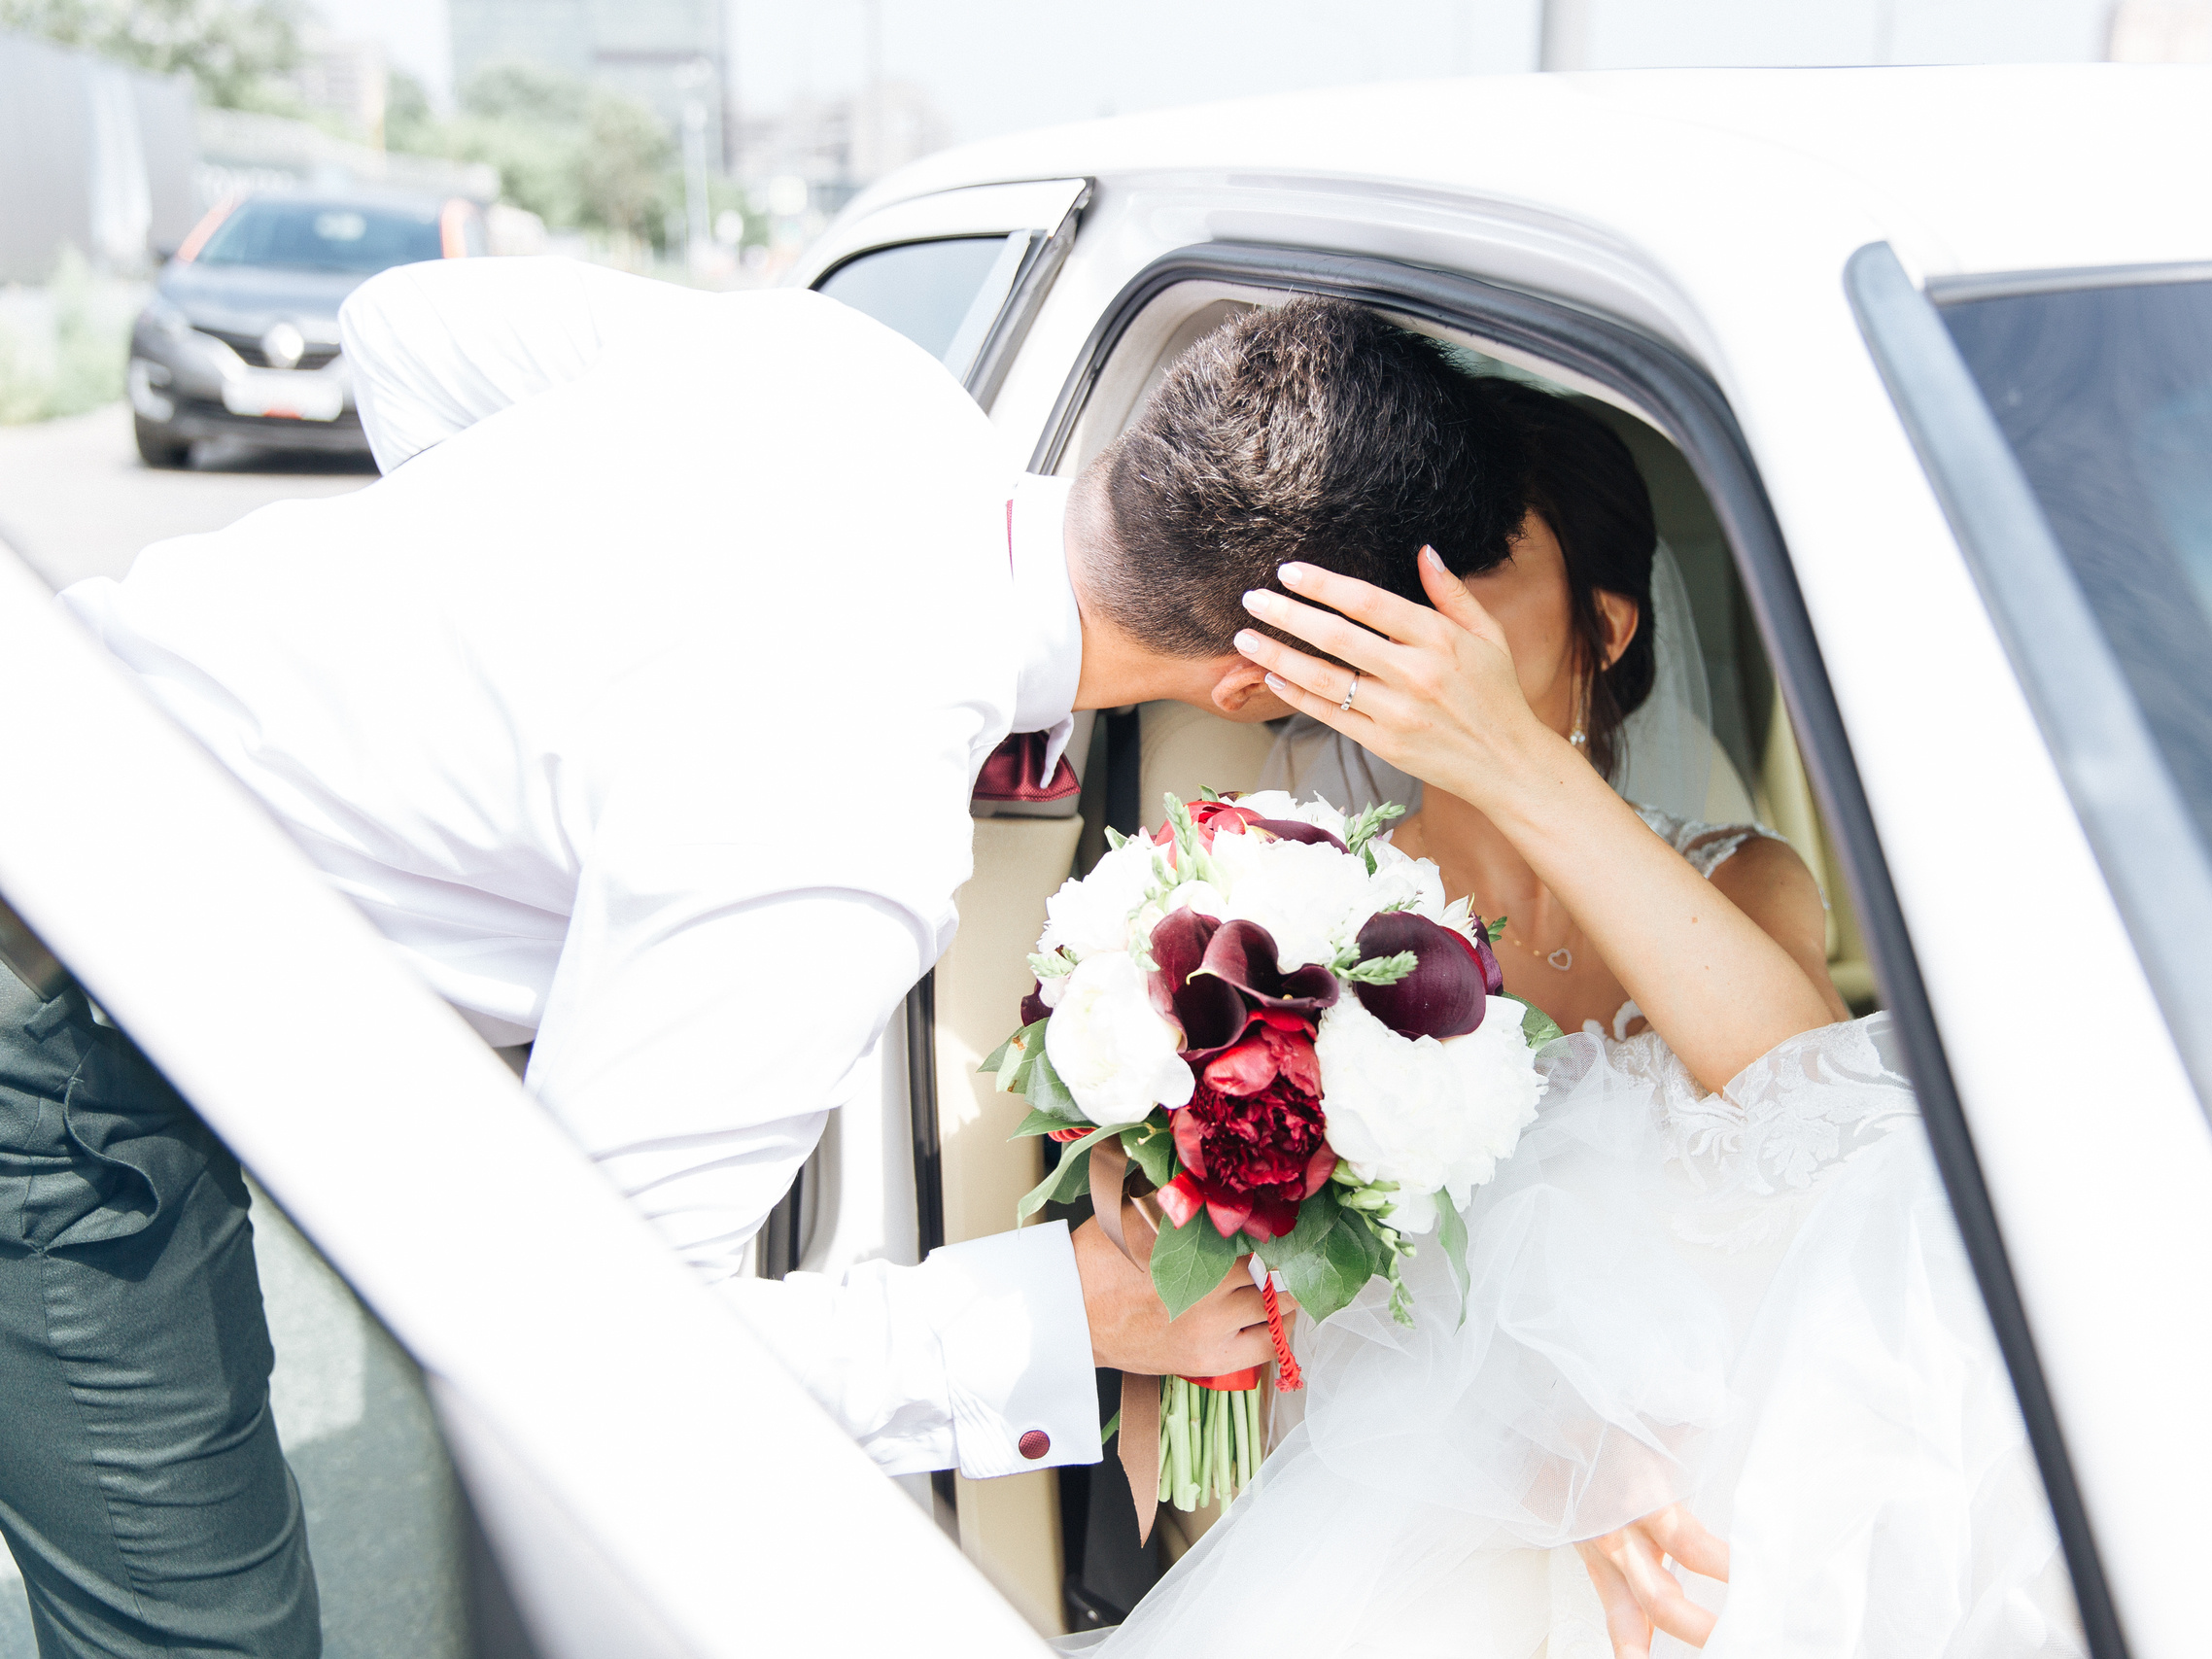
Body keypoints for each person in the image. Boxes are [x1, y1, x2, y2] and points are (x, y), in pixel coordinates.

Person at [12, 264, 1528, 1657]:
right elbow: (594, 1360)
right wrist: (1069, 1318)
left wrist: (488, 670)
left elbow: (402, 328)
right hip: (65, 1000)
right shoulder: (843, 813)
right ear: (1267, 682)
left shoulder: (851, 376)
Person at [1096, 384, 2081, 1657]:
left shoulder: (1740, 878)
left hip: (1750, 1438)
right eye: (1393, 568)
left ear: (1604, 627)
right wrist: (1539, 1456)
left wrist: (1508, 755)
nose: (1412, 615)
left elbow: (1821, 1108)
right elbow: (1263, 1285)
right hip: (1426, 1478)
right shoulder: (1289, 900)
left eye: (1468, 565)